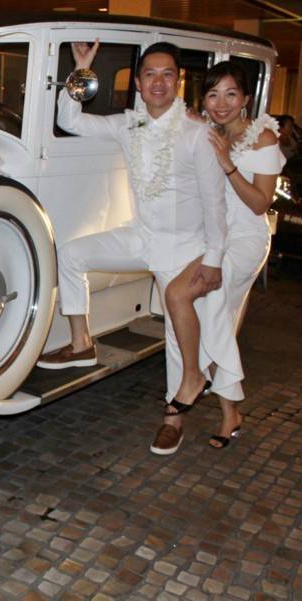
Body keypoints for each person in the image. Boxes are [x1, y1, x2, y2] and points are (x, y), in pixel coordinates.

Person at [35, 41, 226, 455]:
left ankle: (173, 418)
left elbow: (216, 205)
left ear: (178, 81)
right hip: (140, 236)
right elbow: (71, 120)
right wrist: (81, 74)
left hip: (183, 247)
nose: (159, 82)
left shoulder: (198, 135)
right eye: (150, 74)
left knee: (177, 335)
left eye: (167, 74)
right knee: (70, 254)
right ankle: (82, 343)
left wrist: (212, 262)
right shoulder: (129, 124)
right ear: (138, 83)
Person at [160, 62, 284, 449]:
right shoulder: (205, 132)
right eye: (213, 94)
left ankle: (189, 392)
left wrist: (228, 164)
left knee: (197, 303)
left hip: (245, 240)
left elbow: (260, 204)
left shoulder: (262, 138)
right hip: (210, 236)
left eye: (231, 94)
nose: (222, 103)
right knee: (192, 315)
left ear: (246, 98)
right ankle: (225, 412)